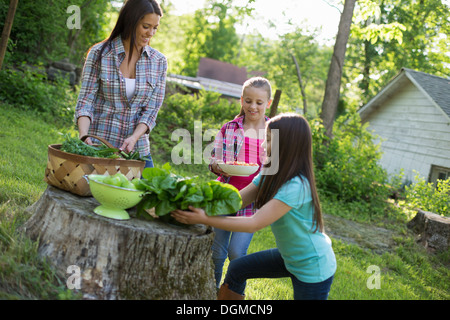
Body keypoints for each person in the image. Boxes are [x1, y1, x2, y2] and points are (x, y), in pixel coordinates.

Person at [172, 113, 337, 300]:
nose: (262, 145)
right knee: (237, 269)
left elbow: (254, 223)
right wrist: (197, 205)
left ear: (286, 146)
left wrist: (204, 219)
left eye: (267, 140)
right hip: (289, 256)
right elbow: (237, 200)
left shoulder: (297, 186)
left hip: (312, 267)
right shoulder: (270, 172)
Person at [75, 0, 167, 168]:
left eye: (155, 28)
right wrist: (84, 136)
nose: (151, 33)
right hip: (99, 146)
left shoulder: (158, 62)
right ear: (131, 21)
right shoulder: (100, 53)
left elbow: (151, 111)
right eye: (146, 26)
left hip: (136, 149)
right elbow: (85, 102)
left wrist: (134, 138)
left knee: (149, 192)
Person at [208, 77, 272, 290]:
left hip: (251, 202)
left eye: (259, 102)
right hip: (224, 195)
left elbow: (276, 169)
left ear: (268, 103)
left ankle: (232, 295)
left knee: (236, 253)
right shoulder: (230, 128)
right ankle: (210, 292)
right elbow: (215, 159)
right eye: (248, 100)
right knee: (217, 252)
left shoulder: (273, 132)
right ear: (241, 100)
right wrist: (217, 165)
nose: (253, 106)